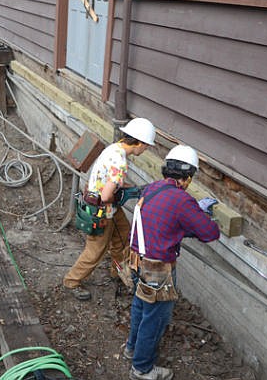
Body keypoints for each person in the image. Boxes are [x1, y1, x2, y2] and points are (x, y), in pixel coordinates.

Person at [123, 145, 220, 380]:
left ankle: (132, 349)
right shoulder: (182, 200)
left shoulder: (152, 188)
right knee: (155, 319)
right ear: (188, 177)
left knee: (140, 307)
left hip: (136, 260)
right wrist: (200, 214)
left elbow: (166, 222)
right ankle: (142, 368)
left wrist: (188, 218)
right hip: (156, 269)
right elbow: (210, 233)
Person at [63, 118, 157, 301]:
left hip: (106, 206)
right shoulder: (120, 162)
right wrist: (122, 195)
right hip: (102, 209)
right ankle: (72, 281)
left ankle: (118, 271)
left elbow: (109, 182)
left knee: (124, 235)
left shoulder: (114, 149)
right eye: (146, 146)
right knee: (96, 249)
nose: (145, 150)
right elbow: (106, 195)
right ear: (139, 143)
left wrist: (131, 189)